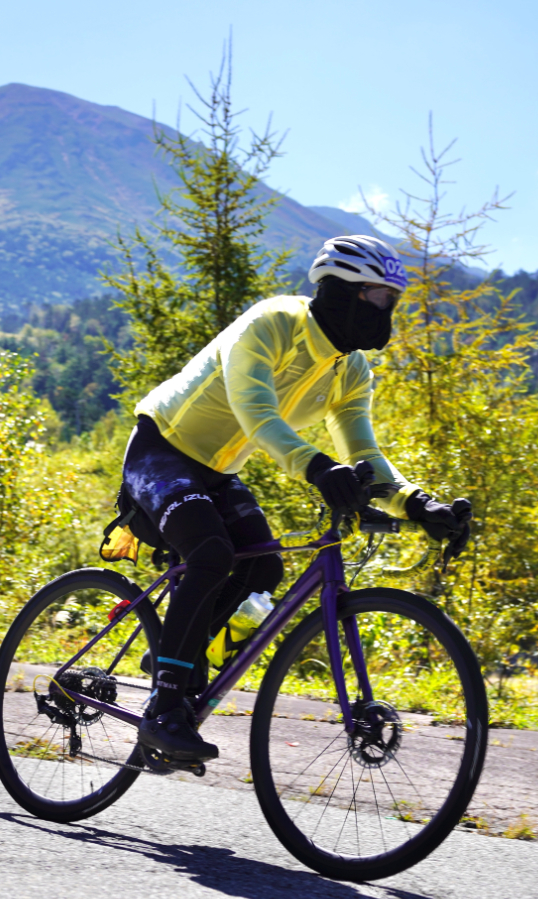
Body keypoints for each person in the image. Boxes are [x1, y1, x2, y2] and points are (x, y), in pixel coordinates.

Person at [122, 235, 472, 762]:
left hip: (217, 471)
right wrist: (319, 468)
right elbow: (256, 414)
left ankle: (177, 660)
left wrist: (420, 505)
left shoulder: (351, 370)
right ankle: (164, 708)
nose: (387, 312)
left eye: (393, 302)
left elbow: (365, 454)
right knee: (211, 554)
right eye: (380, 298)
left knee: (262, 569)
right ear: (344, 291)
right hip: (161, 448)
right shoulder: (271, 324)